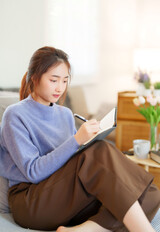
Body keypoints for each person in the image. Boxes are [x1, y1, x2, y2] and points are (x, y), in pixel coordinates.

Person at [0, 46, 160, 232]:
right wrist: (76, 140)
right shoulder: (15, 115)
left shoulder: (66, 114)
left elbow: (71, 163)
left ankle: (83, 230)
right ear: (34, 77)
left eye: (65, 81)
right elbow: (33, 172)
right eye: (53, 80)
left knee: (149, 192)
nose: (60, 88)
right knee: (101, 151)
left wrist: (86, 141)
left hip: (65, 194)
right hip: (31, 201)